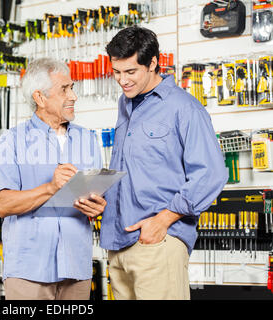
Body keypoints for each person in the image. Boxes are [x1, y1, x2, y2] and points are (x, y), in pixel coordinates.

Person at [101, 26, 228, 300]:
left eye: (130, 72)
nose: (122, 80)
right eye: (117, 72)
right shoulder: (126, 105)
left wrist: (163, 221)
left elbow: (212, 174)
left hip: (158, 242)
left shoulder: (184, 108)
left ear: (153, 64)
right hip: (118, 244)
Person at [0, 57, 107, 300]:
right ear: (39, 98)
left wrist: (97, 207)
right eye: (65, 89)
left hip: (76, 266)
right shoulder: (12, 141)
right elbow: (3, 205)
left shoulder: (88, 139)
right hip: (29, 270)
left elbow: (94, 199)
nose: (73, 96)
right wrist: (51, 187)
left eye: (72, 88)